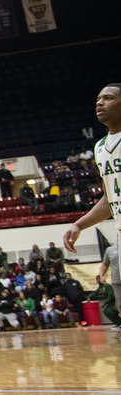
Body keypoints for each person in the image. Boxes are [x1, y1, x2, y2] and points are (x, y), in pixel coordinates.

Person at [65, 84, 121, 280]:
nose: (100, 103)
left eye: (108, 98)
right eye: (98, 99)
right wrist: (78, 225)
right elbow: (108, 199)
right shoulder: (100, 147)